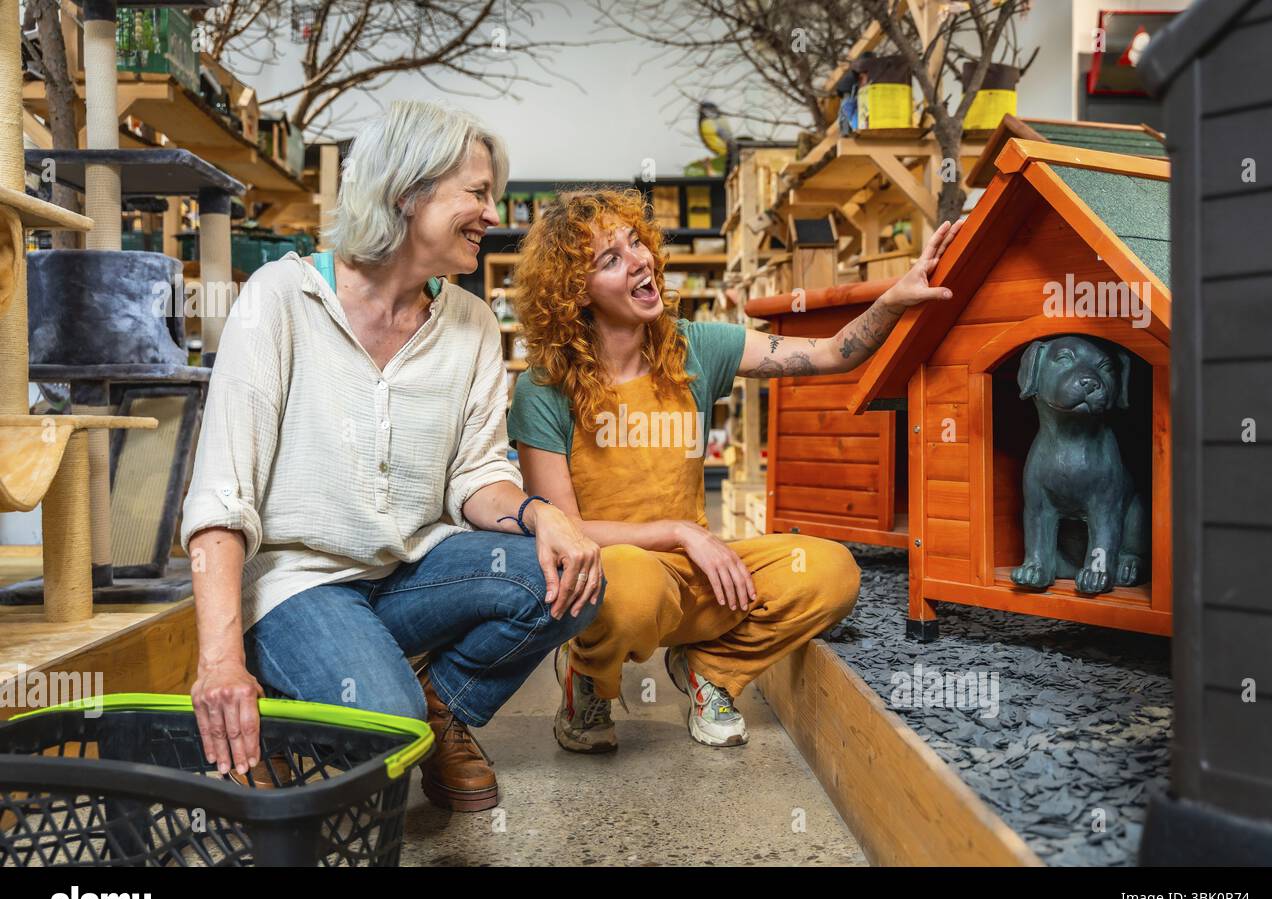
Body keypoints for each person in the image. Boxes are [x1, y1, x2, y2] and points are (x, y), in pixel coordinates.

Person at [180, 102, 604, 812]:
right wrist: (218, 661)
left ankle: (445, 707)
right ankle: (340, 693)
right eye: (476, 193)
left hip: (410, 572)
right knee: (389, 724)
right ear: (408, 194)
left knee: (573, 575)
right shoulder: (280, 300)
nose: (491, 213)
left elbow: (476, 476)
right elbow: (222, 494)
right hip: (298, 585)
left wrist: (541, 516)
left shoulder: (468, 322)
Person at [507, 188, 962, 752]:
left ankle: (711, 672)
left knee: (831, 571)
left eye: (635, 243)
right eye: (610, 259)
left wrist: (894, 300)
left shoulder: (695, 348)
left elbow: (828, 354)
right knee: (627, 585)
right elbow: (562, 531)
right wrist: (679, 533)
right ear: (576, 293)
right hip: (616, 580)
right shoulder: (543, 390)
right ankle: (588, 680)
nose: (639, 260)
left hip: (699, 577)